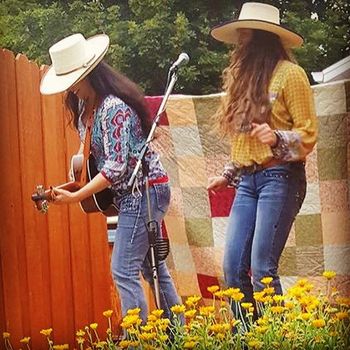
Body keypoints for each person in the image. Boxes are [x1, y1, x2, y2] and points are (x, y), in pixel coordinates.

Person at [40, 33, 181, 322]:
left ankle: (139, 337)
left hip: (144, 189)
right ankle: (176, 332)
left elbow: (116, 166)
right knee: (151, 267)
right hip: (130, 192)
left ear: (90, 74)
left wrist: (77, 196)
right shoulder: (85, 110)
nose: (72, 89)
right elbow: (94, 155)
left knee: (123, 269)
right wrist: (76, 175)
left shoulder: (113, 108)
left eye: (74, 81)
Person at [208, 2, 318, 317]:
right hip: (247, 182)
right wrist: (228, 175)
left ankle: (273, 338)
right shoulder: (242, 81)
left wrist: (279, 138)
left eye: (244, 35)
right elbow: (244, 142)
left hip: (280, 177)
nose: (239, 42)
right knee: (232, 268)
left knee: (262, 268)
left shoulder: (292, 75)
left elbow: (308, 135)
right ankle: (249, 337)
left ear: (260, 38)